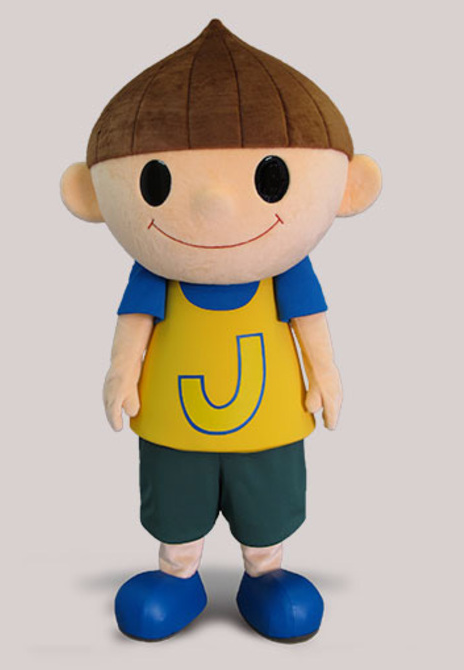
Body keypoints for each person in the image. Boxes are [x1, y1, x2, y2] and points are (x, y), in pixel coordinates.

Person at [61, 19, 381, 642]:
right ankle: (179, 574)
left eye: (270, 178)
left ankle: (265, 572)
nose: (214, 204)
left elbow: (311, 325)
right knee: (174, 503)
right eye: (156, 183)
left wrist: (326, 376)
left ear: (351, 186)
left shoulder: (287, 271)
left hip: (270, 424)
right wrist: (121, 374)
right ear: (88, 195)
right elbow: (133, 328)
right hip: (173, 425)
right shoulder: (154, 272)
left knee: (268, 505)